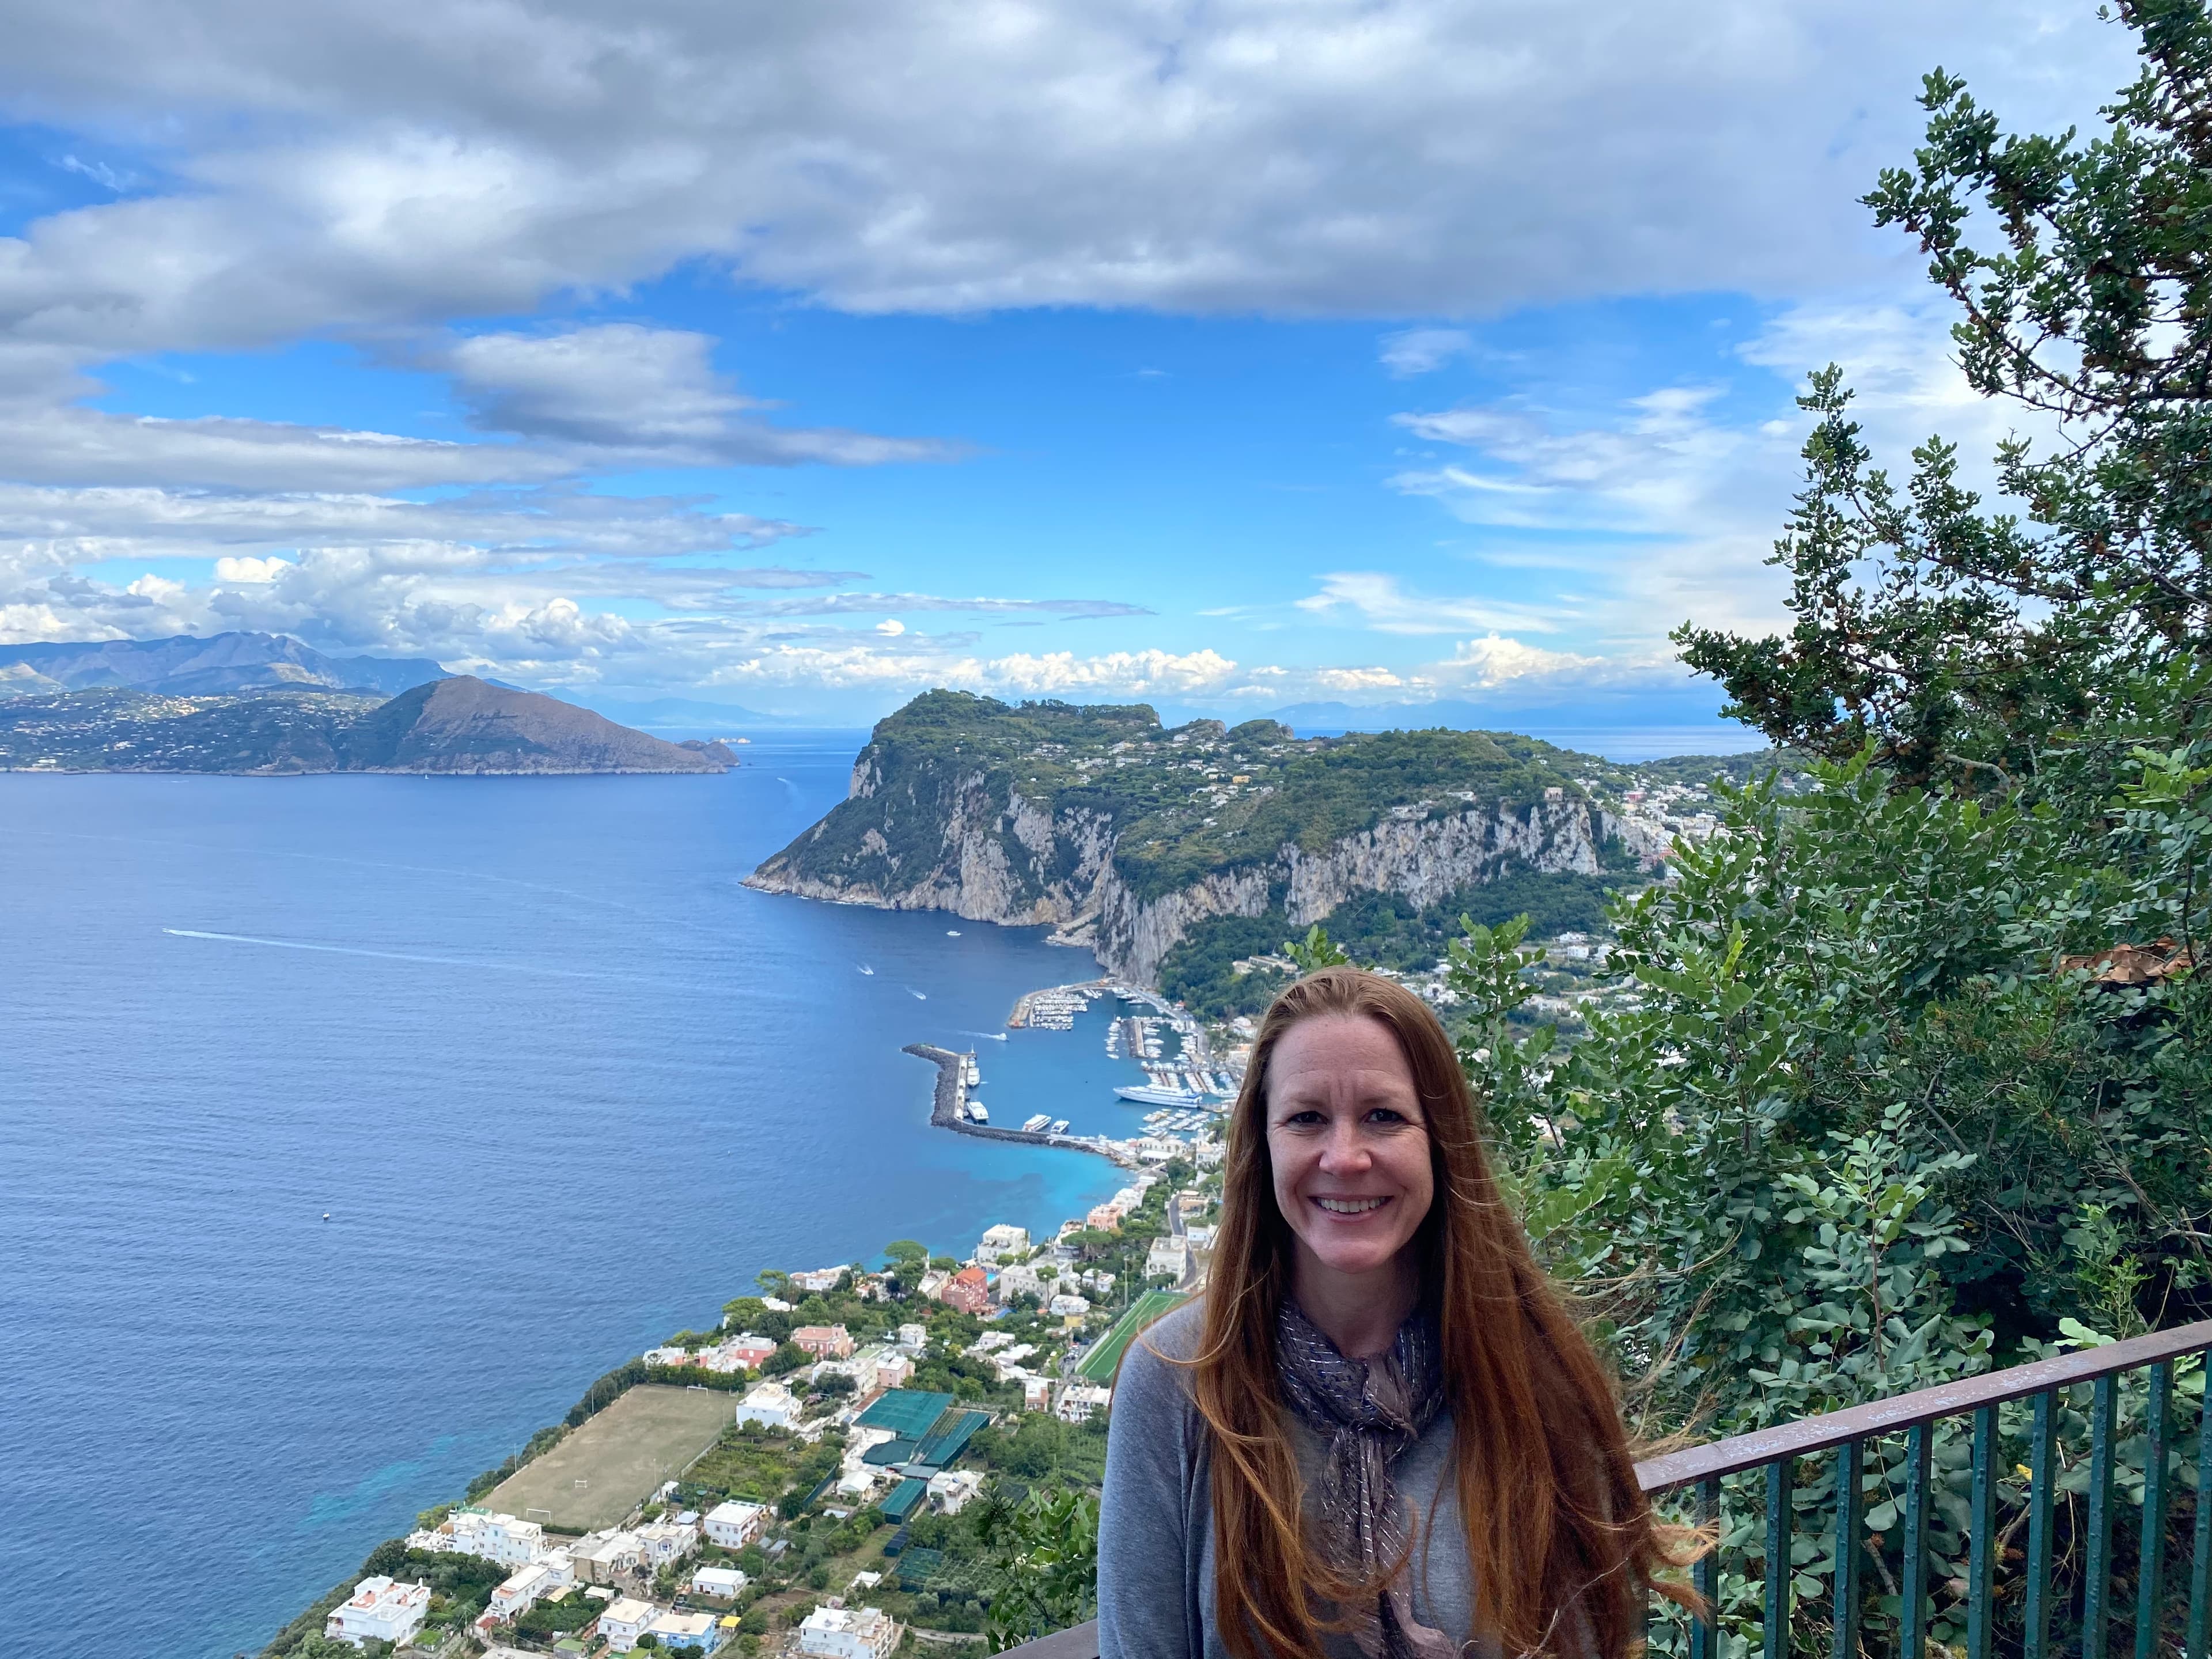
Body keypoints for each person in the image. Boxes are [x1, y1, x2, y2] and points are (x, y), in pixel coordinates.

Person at [1099, 966, 1695, 1658]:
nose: (1345, 1158)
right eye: (1307, 1118)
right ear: (1262, 1148)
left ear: (1439, 1143)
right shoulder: (1179, 1383)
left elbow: (1590, 1634)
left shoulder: (1531, 1371)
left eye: (1384, 1116)